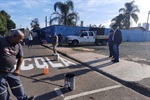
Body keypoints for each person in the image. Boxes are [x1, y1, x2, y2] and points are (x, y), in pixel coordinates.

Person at [0, 30, 34, 100]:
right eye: (20, 38)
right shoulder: (1, 40)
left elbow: (21, 57)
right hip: (0, 72)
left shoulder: (18, 45)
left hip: (11, 70)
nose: (21, 41)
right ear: (13, 36)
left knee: (18, 86)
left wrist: (18, 69)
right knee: (2, 92)